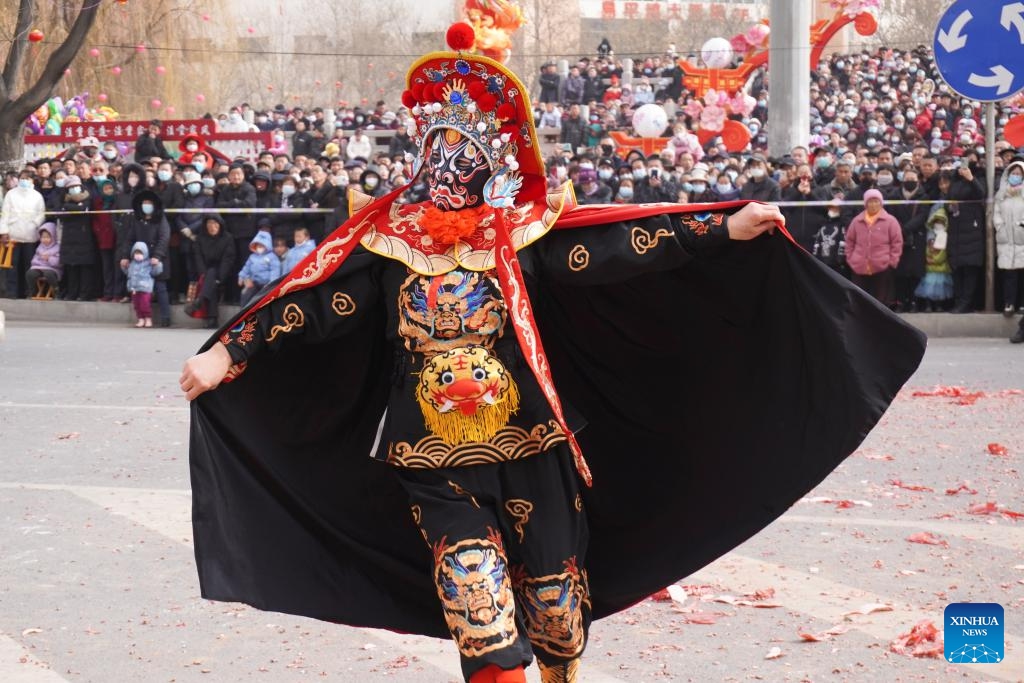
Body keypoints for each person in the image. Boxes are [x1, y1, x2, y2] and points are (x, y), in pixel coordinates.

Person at [180, 24, 924, 683]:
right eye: (435, 149)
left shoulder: (525, 240)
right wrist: (228, 354)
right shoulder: (386, 243)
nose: (445, 167)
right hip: (432, 457)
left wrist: (721, 229)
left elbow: (618, 247)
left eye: (461, 153)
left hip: (530, 442)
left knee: (557, 616)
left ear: (491, 165)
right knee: (481, 612)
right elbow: (315, 305)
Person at [119, 191, 171, 326]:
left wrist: (157, 256)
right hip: (139, 260)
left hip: (156, 259)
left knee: (160, 287)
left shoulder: (161, 219)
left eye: (149, 203)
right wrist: (125, 256)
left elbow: (164, 238)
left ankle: (166, 317)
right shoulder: (137, 220)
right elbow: (129, 239)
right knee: (139, 291)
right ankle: (142, 317)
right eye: (144, 203)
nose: (146, 206)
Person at [845, 189, 903, 306]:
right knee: (860, 300)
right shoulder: (856, 221)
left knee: (880, 301)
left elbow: (897, 242)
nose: (873, 204)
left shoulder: (890, 221)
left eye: (876, 201)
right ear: (865, 203)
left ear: (881, 203)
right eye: (870, 201)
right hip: (859, 267)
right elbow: (849, 241)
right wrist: (851, 259)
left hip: (882, 267)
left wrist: (892, 262)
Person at [0, 169, 46, 298]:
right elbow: (5, 214)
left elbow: (41, 214)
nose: (24, 181)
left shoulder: (37, 195)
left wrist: (34, 224)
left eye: (27, 178)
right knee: (12, 265)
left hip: (30, 235)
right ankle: (12, 292)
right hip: (13, 235)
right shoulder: (11, 194)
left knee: (29, 265)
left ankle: (29, 291)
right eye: (22, 178)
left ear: (32, 180)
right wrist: (4, 231)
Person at [187, 214, 236, 329]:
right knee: (210, 278)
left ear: (220, 225)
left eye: (215, 224)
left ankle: (201, 301)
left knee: (212, 275)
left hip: (223, 273)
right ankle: (212, 319)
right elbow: (198, 258)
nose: (212, 227)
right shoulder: (200, 239)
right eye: (209, 224)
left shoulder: (227, 238)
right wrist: (203, 274)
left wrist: (220, 277)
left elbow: (228, 260)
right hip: (205, 273)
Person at [57, 176, 97, 301]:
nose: (74, 189)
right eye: (71, 187)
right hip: (69, 239)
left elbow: (83, 209)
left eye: (76, 186)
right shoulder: (62, 199)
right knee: (71, 267)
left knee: (85, 268)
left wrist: (69, 207)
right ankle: (72, 293)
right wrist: (72, 208)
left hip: (84, 237)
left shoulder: (87, 197)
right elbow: (61, 211)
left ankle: (84, 294)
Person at [994, 161, 1024, 316]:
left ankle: (1021, 304)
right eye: (1013, 173)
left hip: (1021, 238)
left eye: (1019, 174)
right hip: (1006, 239)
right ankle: (1009, 303)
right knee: (1009, 275)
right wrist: (1000, 227)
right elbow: (996, 213)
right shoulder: (1001, 194)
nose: (1016, 176)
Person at [915, 208, 954, 313]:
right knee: (928, 287)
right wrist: (927, 258)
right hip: (929, 268)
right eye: (936, 222)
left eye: (941, 222)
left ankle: (938, 306)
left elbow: (944, 252)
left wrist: (936, 259)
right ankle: (928, 305)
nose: (938, 224)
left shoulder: (946, 236)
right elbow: (926, 250)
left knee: (941, 288)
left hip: (942, 268)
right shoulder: (929, 237)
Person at [123, 241, 164, 327]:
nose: (138, 255)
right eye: (136, 253)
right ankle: (140, 319)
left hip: (145, 288)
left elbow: (155, 272)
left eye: (140, 253)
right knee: (136, 305)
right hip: (134, 289)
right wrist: (123, 266)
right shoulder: (132, 264)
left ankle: (148, 318)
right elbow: (128, 273)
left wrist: (158, 265)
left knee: (144, 304)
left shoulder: (149, 263)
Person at [236, 231, 281, 307]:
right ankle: (243, 314)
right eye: (258, 245)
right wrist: (241, 277)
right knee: (245, 294)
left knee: (262, 300)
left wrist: (271, 284)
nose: (259, 247)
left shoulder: (272, 257)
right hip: (254, 283)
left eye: (262, 245)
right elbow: (246, 268)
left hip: (266, 284)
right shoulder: (252, 257)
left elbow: (275, 272)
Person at [24, 222, 61, 298]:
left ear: (53, 237)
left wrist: (49, 259)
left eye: (47, 237)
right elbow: (34, 260)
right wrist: (40, 260)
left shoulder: (57, 247)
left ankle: (56, 290)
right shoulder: (40, 247)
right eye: (43, 237)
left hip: (52, 269)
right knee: (30, 274)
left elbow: (59, 262)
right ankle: (32, 291)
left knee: (49, 274)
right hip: (39, 267)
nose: (45, 240)